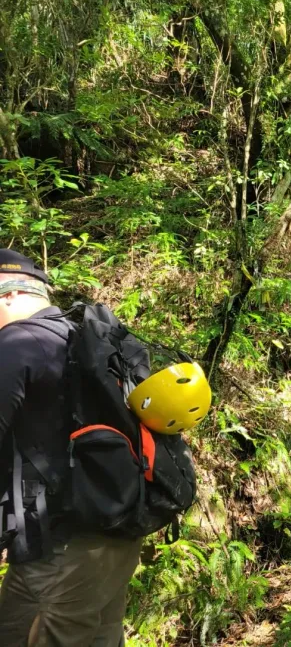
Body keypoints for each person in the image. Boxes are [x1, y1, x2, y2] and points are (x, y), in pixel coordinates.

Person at [0, 249, 143, 646]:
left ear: (9, 294)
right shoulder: (86, 337)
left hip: (60, 544)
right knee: (100, 635)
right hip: (115, 526)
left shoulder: (16, 343)